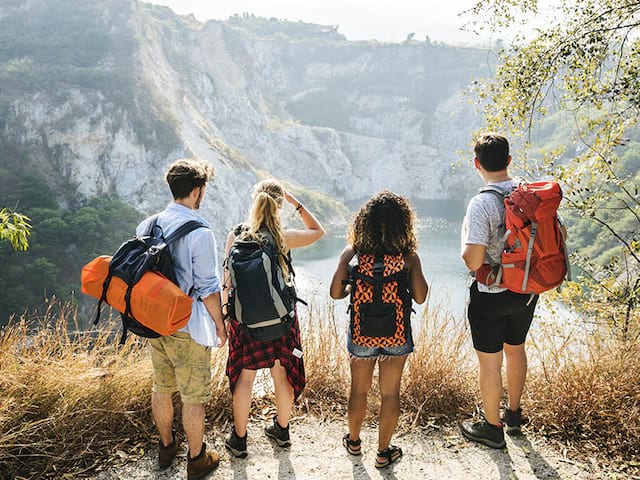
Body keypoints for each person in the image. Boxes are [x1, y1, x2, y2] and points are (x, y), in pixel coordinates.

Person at [459, 133, 555, 448]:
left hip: (490, 296)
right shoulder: (530, 196)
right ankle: (513, 415)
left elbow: (473, 259)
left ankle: (492, 428)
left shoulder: (482, 202)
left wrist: (464, 251)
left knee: (490, 362)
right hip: (527, 291)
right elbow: (558, 232)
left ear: (477, 164)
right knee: (516, 349)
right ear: (509, 160)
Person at [136, 158, 227, 480]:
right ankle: (197, 458)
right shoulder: (200, 232)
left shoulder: (146, 225)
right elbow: (207, 288)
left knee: (161, 386)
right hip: (187, 325)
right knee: (193, 397)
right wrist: (219, 324)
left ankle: (166, 446)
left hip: (153, 322)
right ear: (198, 191)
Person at [222, 179, 324, 458]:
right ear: (278, 205)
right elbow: (318, 231)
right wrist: (296, 203)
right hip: (282, 321)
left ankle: (240, 441)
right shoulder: (281, 237)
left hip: (245, 324)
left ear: (254, 202)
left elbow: (226, 284)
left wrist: (226, 320)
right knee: (281, 374)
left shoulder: (236, 236)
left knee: (245, 378)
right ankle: (282, 431)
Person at [329, 190, 428, 469]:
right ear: (403, 225)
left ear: (364, 223)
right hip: (396, 334)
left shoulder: (354, 254)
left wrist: (351, 281)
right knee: (390, 393)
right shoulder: (408, 258)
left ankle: (354, 442)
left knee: (358, 390)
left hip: (362, 332)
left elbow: (336, 292)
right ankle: (384, 452)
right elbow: (420, 297)